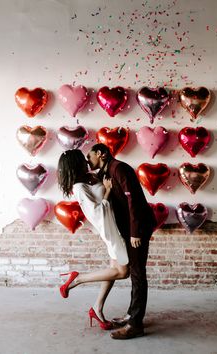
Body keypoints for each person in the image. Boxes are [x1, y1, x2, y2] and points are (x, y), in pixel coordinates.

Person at [87, 143, 156, 339]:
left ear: (100, 153)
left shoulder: (120, 168)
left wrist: (135, 232)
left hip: (138, 228)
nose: (88, 161)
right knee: (134, 272)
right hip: (127, 229)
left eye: (90, 156)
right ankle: (131, 315)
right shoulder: (106, 172)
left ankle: (136, 324)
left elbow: (134, 200)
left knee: (137, 273)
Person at [57, 149, 129, 331]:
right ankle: (78, 278)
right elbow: (96, 214)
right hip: (111, 230)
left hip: (116, 225)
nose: (86, 161)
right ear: (75, 165)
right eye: (83, 160)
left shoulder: (90, 177)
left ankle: (97, 308)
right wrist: (108, 192)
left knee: (113, 270)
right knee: (123, 272)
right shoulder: (79, 188)